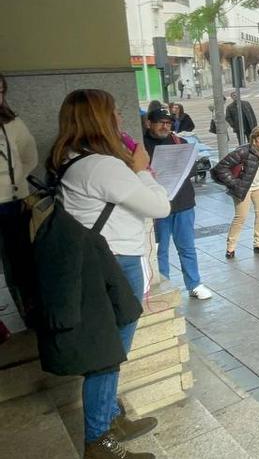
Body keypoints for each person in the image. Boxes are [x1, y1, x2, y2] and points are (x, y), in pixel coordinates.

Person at [48, 88, 167, 458]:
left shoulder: (73, 158)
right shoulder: (103, 166)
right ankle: (98, 441)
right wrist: (142, 170)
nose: (119, 118)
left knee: (108, 348)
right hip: (115, 264)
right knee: (108, 355)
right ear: (99, 119)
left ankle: (111, 416)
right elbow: (160, 206)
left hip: (98, 262)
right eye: (113, 112)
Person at [143, 109, 212, 300]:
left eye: (169, 123)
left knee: (187, 246)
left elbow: (191, 169)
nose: (165, 126)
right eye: (160, 122)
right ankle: (162, 285)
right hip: (157, 206)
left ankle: (194, 284)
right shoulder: (141, 146)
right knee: (160, 249)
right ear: (149, 123)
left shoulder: (179, 142)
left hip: (183, 202)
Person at [0, 73, 38, 328]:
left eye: (1, 91)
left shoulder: (11, 122)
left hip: (15, 201)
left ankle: (30, 313)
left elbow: (29, 154)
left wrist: (15, 182)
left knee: (21, 262)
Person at [212, 126, 259, 258]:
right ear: (254, 140)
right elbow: (220, 168)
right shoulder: (243, 152)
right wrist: (234, 183)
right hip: (243, 188)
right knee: (241, 217)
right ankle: (230, 247)